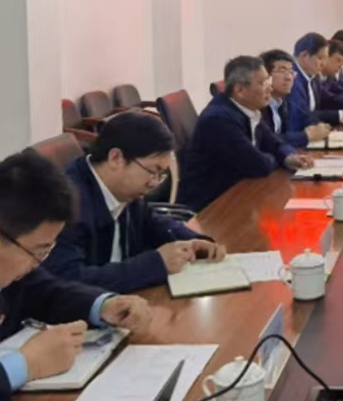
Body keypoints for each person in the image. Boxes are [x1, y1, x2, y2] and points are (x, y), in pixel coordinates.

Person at [0, 151, 151, 401]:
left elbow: (40, 290)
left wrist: (103, 305)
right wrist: (25, 365)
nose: (36, 265)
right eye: (37, 253)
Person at [43, 111, 227, 294]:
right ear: (116, 158)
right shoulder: (65, 204)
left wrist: (191, 240)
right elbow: (68, 280)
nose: (154, 183)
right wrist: (155, 264)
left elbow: (150, 222)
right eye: (152, 171)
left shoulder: (123, 189)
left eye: (161, 175)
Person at [179, 56, 314, 211]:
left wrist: (288, 156)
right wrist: (275, 157)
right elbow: (259, 165)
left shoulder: (248, 109)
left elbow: (275, 142)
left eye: (268, 81)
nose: (269, 88)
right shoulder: (219, 120)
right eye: (262, 83)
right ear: (240, 90)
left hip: (236, 194)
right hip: (209, 207)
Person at [287, 33, 343, 133]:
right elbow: (303, 115)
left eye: (325, 58)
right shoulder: (291, 79)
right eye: (320, 58)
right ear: (304, 55)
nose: (324, 63)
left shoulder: (312, 77)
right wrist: (342, 115)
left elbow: (327, 98)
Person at [260, 48, 329, 147]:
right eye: (282, 70)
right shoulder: (258, 105)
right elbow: (266, 141)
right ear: (265, 75)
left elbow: (306, 117)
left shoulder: (285, 102)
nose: (289, 78)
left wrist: (319, 126)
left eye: (291, 72)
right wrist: (307, 136)